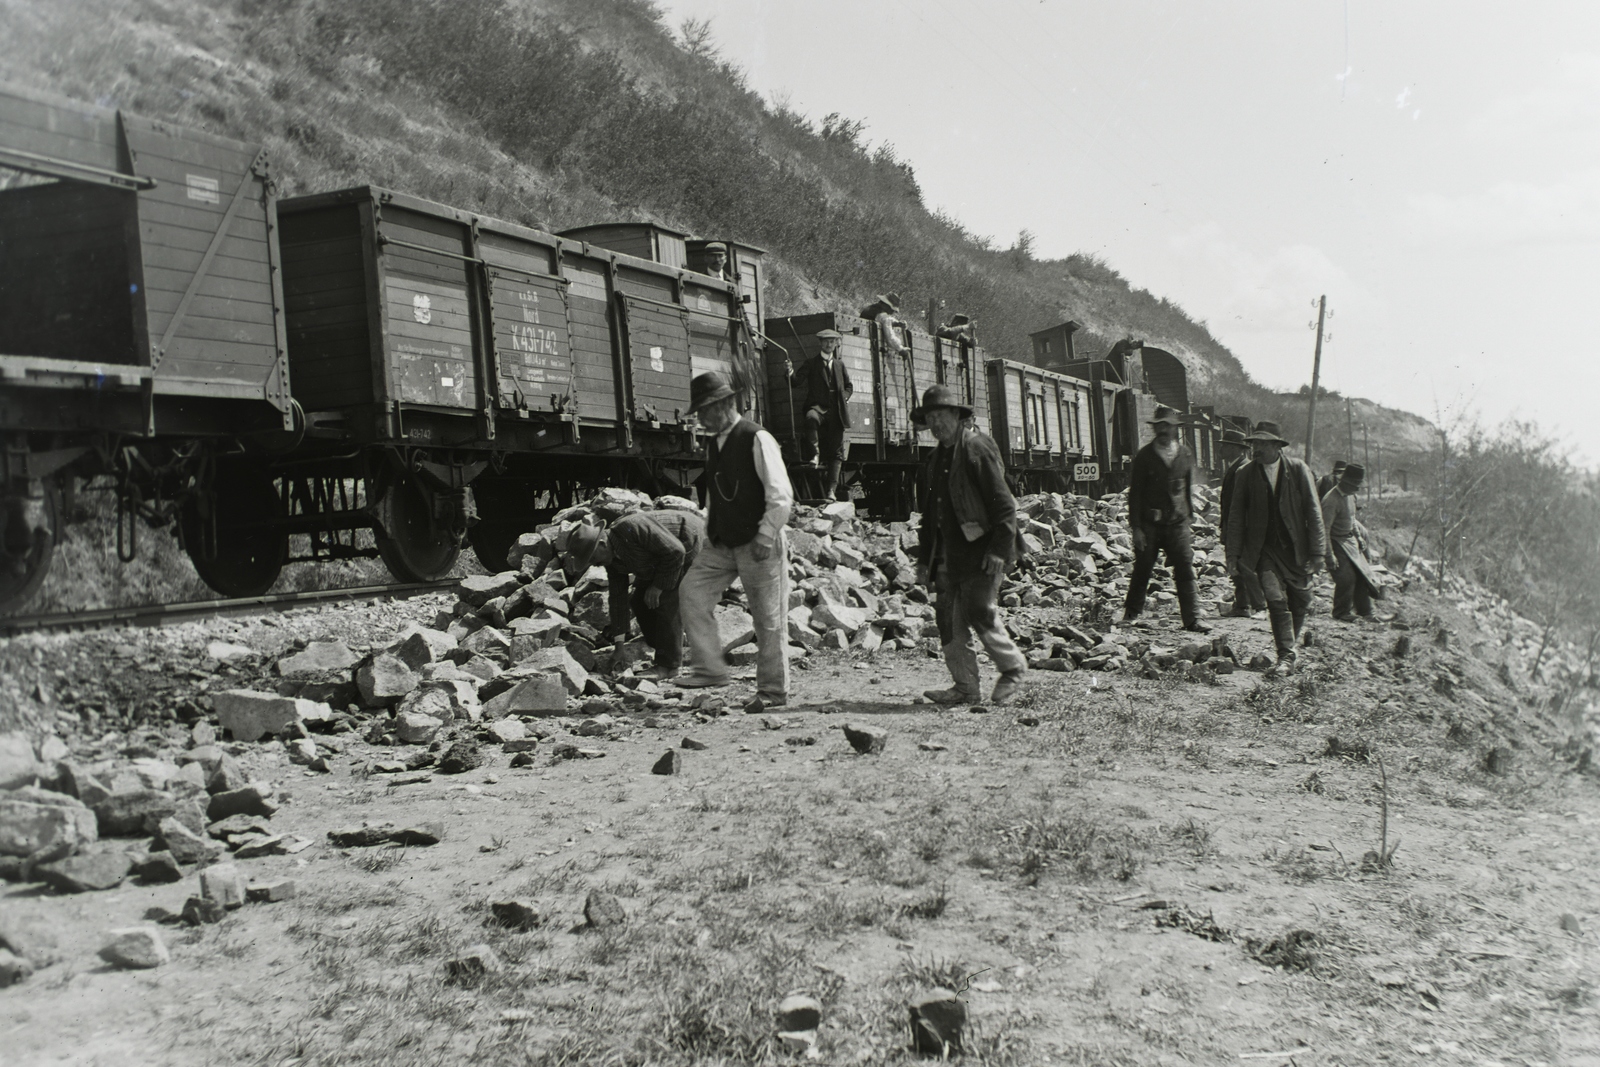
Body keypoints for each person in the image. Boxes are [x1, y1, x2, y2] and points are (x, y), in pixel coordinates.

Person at [678, 370, 794, 706]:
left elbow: (781, 495)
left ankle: (773, 692)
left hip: (758, 541)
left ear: (725, 404)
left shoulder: (756, 438)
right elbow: (716, 495)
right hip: (723, 542)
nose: (700, 418)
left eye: (703, 411)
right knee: (691, 592)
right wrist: (709, 531)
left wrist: (766, 534)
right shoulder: (715, 444)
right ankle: (711, 669)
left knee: (768, 619)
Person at [913, 384, 1027, 706]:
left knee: (979, 610)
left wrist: (998, 550)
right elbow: (930, 515)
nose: (936, 423)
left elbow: (1004, 506)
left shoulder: (977, 448)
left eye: (941, 415)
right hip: (950, 553)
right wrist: (924, 559)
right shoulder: (936, 458)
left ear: (957, 416)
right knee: (947, 620)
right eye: (930, 417)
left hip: (983, 551)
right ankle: (965, 688)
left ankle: (1013, 669)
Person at [1224, 421, 1326, 666]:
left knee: (1300, 599)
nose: (1256, 449)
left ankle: (1288, 646)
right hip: (1263, 548)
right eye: (1254, 443)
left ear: (1276, 446)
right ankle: (1286, 654)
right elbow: (1236, 516)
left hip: (1295, 547)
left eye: (1262, 444)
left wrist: (1318, 551)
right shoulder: (1245, 474)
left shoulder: (1298, 470)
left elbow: (1314, 511)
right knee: (1274, 596)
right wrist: (1233, 555)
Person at [563, 509, 706, 680]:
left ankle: (669, 666)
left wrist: (658, 586)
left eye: (592, 558)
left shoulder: (629, 528)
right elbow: (618, 600)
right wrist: (619, 647)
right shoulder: (612, 561)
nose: (594, 565)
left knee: (665, 597)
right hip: (661, 558)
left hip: (690, 539)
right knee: (639, 601)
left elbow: (676, 552)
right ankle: (668, 650)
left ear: (602, 543)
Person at [1122, 406, 1210, 632]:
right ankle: (1131, 613)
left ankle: (1192, 619)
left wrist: (1189, 517)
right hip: (1150, 524)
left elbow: (1187, 487)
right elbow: (1136, 494)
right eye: (1159, 426)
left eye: (1167, 426)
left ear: (1174, 429)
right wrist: (1137, 528)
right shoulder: (1144, 456)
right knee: (1143, 567)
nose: (1163, 430)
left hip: (1178, 524)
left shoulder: (1185, 454)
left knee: (1185, 568)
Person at [792, 328, 853, 499]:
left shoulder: (840, 365)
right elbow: (796, 382)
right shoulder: (811, 363)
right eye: (826, 341)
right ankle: (815, 455)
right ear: (820, 343)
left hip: (836, 411)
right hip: (818, 407)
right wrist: (789, 372)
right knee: (810, 418)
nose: (828, 344)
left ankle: (831, 490)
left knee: (836, 452)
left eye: (832, 341)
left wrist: (845, 397)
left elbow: (849, 386)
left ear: (835, 344)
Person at [1217, 427, 1266, 618]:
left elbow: (1239, 505)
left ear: (1237, 449)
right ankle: (1243, 604)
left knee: (1241, 565)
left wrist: (1231, 529)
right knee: (1238, 565)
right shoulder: (1237, 467)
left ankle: (1254, 605)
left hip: (1239, 527)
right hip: (1235, 525)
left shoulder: (1241, 469)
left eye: (1225, 446)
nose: (1221, 450)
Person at [1322, 462, 1380, 622]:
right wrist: (1329, 555)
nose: (1356, 489)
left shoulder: (1351, 496)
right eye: (1353, 485)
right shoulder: (1331, 500)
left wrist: (1359, 537)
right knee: (1346, 577)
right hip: (1335, 542)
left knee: (1363, 574)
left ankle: (1366, 612)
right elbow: (1324, 529)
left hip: (1349, 540)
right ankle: (1341, 612)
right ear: (1344, 482)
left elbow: (1352, 519)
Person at [859, 293, 906, 357]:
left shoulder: (871, 308)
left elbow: (885, 320)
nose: (892, 312)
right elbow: (890, 338)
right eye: (892, 310)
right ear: (887, 306)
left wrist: (896, 323)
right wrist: (901, 349)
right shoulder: (883, 316)